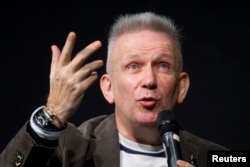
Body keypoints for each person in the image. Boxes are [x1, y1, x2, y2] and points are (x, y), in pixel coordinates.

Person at [0, 12, 228, 167]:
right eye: (133, 66)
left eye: (162, 65)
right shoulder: (69, 148)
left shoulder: (219, 157)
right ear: (108, 88)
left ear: (181, 87)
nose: (149, 80)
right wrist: (52, 113)